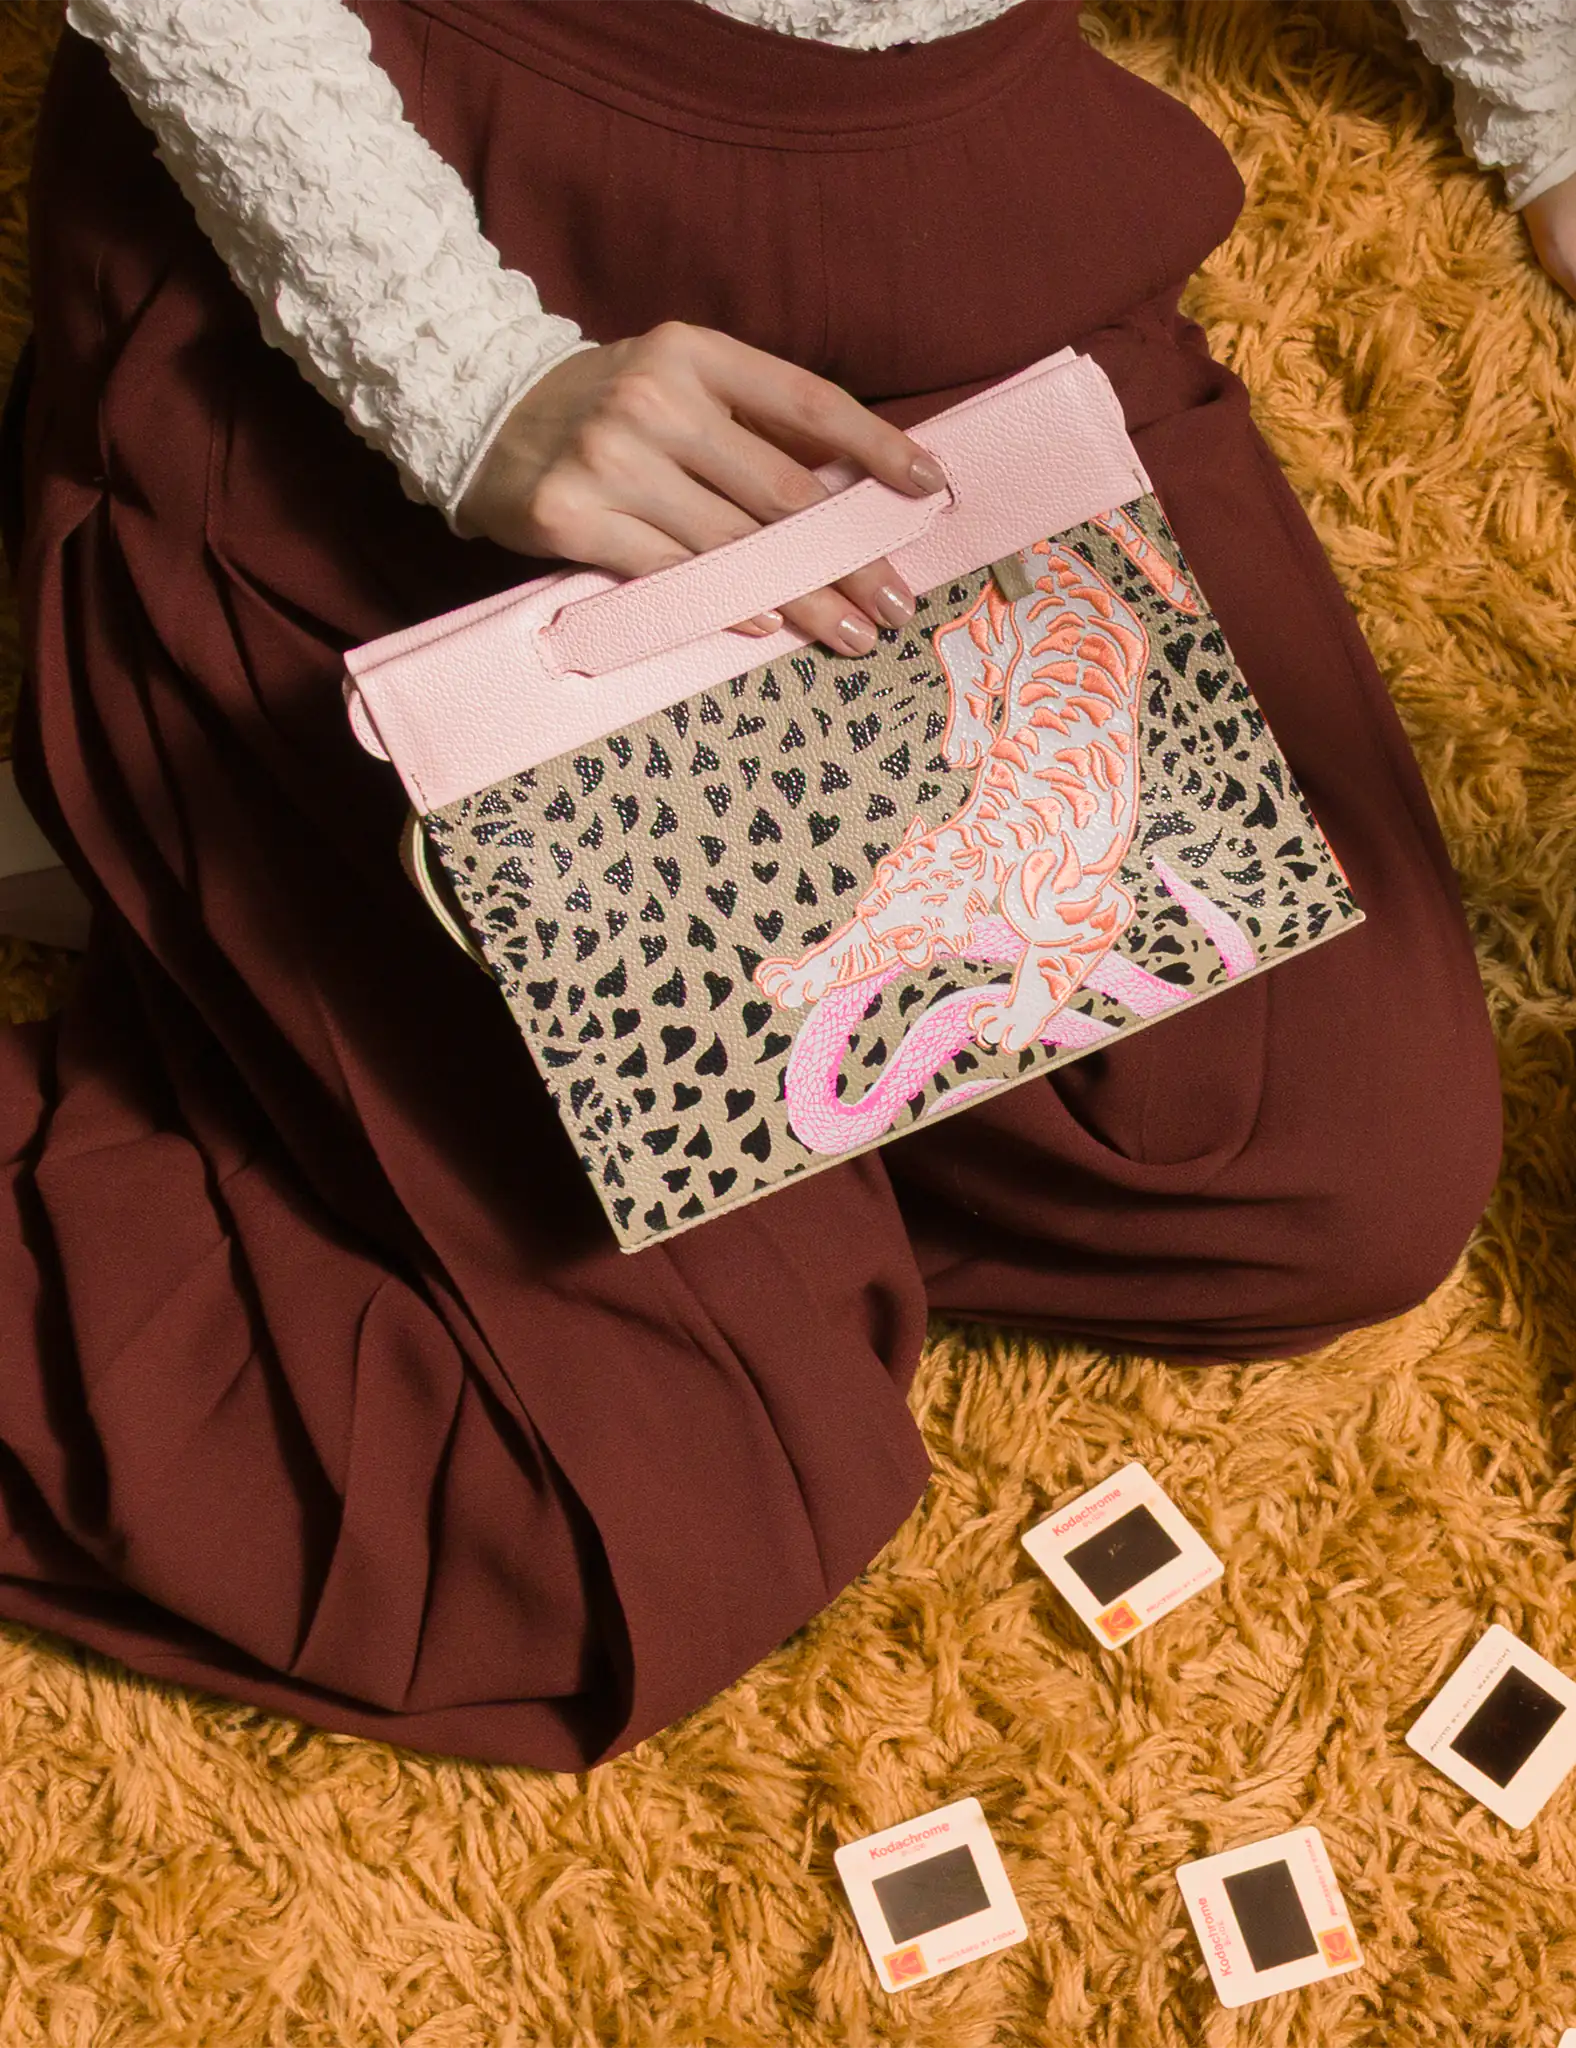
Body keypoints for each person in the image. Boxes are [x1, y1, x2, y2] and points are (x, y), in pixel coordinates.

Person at [0, 0, 1563, 1772]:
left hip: (949, 236)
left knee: (1335, 1188)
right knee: (638, 1524)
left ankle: (381, 1014)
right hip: (429, 187)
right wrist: (463, 377)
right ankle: (246, 866)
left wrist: (1546, 92)